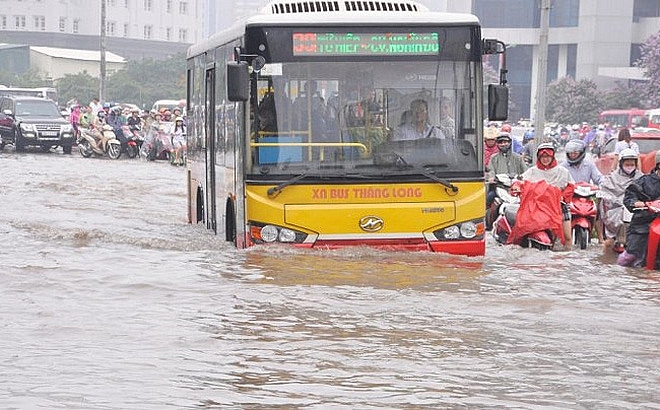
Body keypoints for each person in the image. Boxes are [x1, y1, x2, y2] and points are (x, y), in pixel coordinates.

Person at [518, 142, 575, 249]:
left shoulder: (562, 171)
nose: (545, 159)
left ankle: (568, 255)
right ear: (538, 157)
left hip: (559, 206)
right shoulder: (532, 171)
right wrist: (516, 187)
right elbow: (521, 182)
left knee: (567, 236)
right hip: (538, 207)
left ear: (552, 157)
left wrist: (561, 196)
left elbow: (570, 186)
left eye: (548, 156)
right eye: (543, 157)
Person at [618, 151, 660, 267]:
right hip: (643, 223)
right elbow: (629, 197)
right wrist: (638, 203)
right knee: (631, 257)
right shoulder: (643, 182)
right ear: (658, 165)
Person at [597, 148, 641, 252]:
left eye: (632, 164)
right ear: (621, 164)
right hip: (615, 213)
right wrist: (614, 201)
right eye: (627, 164)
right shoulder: (612, 178)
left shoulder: (641, 178)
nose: (629, 167)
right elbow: (604, 192)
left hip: (635, 212)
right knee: (609, 243)